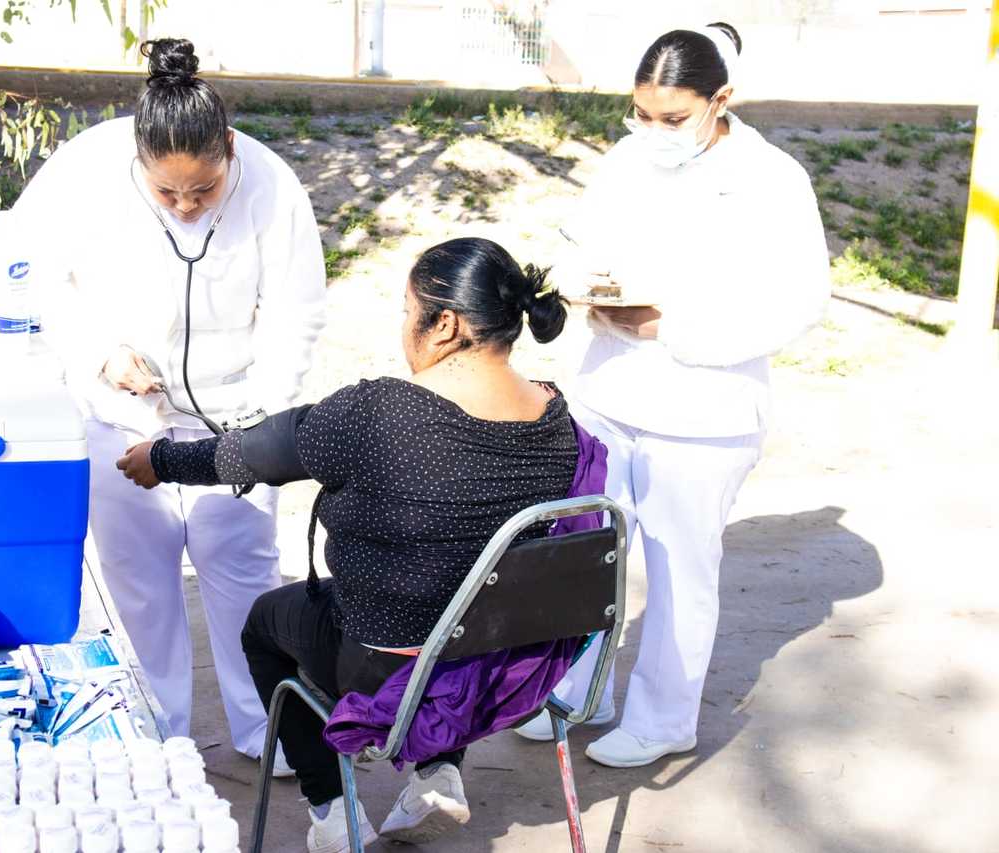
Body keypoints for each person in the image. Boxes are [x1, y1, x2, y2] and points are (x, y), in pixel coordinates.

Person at [116, 238, 577, 851]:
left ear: (444, 324)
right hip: (501, 664)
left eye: (408, 309)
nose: (404, 325)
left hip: (381, 665)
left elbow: (255, 452)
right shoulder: (555, 417)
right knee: (464, 593)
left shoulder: (379, 414)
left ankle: (333, 813)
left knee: (266, 623)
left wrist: (161, 459)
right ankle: (438, 771)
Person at [513, 23, 831, 767]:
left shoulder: (772, 178)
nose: (654, 131)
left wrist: (672, 328)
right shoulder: (627, 159)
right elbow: (580, 242)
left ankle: (663, 718)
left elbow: (799, 301)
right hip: (609, 390)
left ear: (722, 99)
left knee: (679, 570)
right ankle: (577, 690)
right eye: (642, 114)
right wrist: (582, 283)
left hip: (703, 409)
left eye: (674, 117)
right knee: (583, 550)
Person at [12, 38, 327, 772]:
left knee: (241, 571)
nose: (186, 206)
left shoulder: (273, 186)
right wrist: (98, 352)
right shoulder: (86, 169)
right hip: (124, 414)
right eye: (167, 194)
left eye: (204, 191)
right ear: (137, 158)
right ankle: (157, 737)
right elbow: (32, 275)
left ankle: (265, 728)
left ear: (229, 149)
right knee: (141, 583)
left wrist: (262, 422)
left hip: (232, 415)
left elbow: (297, 314)